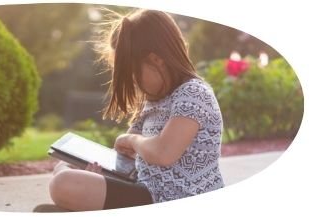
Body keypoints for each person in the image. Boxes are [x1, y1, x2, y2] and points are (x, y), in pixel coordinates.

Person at [49, 8, 225, 211]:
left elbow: (164, 152)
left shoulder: (194, 93)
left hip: (178, 196)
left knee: (64, 183)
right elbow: (128, 159)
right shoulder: (152, 101)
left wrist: (132, 140)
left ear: (156, 59)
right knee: (64, 169)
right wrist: (104, 173)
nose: (133, 83)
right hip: (147, 189)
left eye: (133, 74)